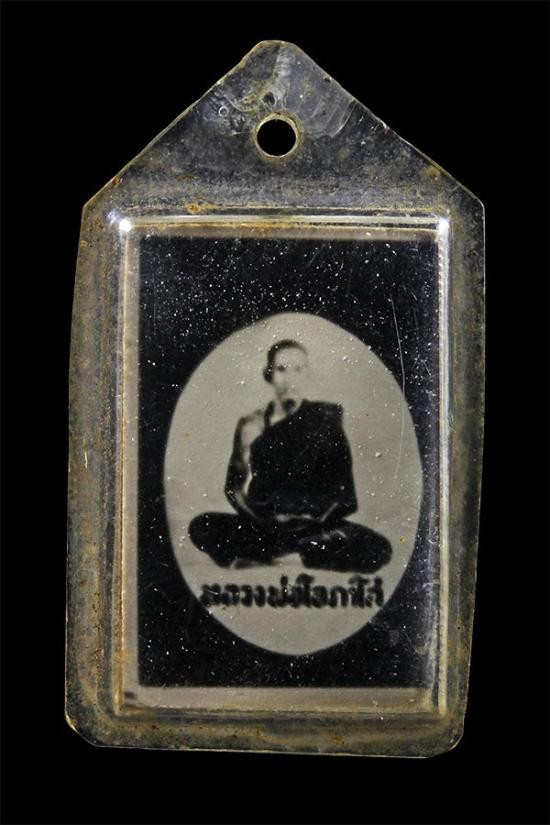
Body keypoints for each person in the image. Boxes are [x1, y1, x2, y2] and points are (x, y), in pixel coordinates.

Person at [189, 340, 391, 573]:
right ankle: (296, 553)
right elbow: (234, 488)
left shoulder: (326, 419)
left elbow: (345, 496)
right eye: (281, 369)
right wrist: (264, 521)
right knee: (202, 525)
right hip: (264, 526)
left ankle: (277, 554)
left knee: (378, 549)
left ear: (308, 374)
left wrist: (313, 519)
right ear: (268, 374)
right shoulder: (252, 425)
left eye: (298, 369)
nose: (289, 379)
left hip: (316, 527)